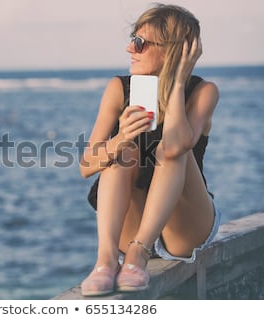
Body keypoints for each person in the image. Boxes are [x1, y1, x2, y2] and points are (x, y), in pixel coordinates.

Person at [79, 3, 221, 296]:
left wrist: (177, 83)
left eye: (140, 43)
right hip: (131, 223)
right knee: (124, 153)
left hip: (184, 226)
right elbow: (86, 166)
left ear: (171, 51)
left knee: (172, 150)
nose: (131, 49)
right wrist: (120, 139)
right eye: (133, 39)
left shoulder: (202, 92)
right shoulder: (119, 88)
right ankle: (105, 262)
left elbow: (178, 145)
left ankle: (138, 255)